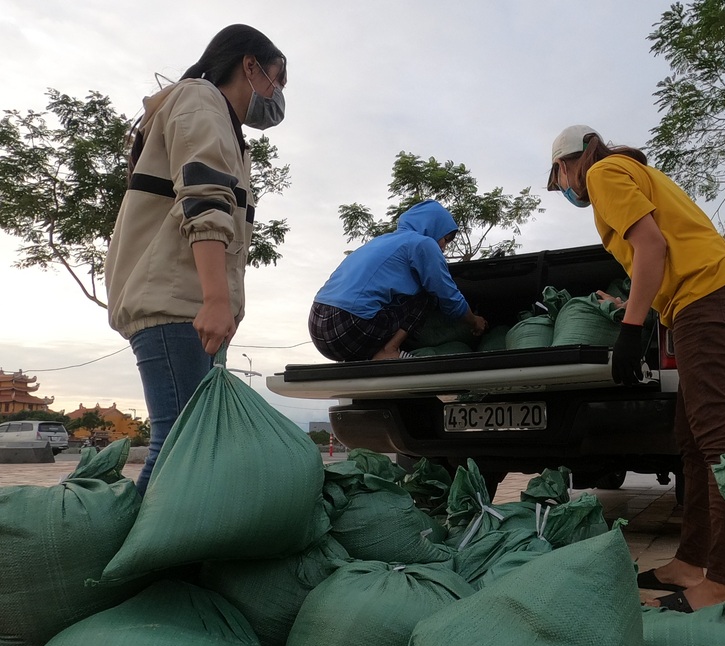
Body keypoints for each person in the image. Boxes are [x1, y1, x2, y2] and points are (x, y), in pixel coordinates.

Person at [548, 125, 725, 613]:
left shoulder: (602, 172)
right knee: (691, 443)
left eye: (559, 175)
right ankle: (690, 563)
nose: (563, 187)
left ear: (568, 162)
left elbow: (650, 246)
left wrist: (630, 326)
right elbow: (662, 250)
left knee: (719, 444)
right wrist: (627, 301)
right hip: (712, 300)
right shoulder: (632, 171)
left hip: (706, 303)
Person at [104, 24, 288, 494]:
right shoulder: (201, 99)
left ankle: (165, 555)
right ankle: (132, 562)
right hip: (176, 303)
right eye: (277, 80)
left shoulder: (222, 124)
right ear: (249, 65)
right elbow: (203, 198)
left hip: (187, 304)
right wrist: (215, 299)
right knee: (180, 446)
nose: (278, 96)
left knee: (191, 445)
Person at [309, 200, 488, 362]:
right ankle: (390, 350)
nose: (444, 246)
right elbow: (448, 296)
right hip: (349, 326)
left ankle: (368, 357)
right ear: (433, 227)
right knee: (429, 292)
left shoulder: (382, 241)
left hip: (317, 324)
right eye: (446, 239)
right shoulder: (423, 243)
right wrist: (474, 321)